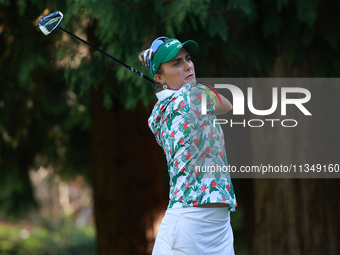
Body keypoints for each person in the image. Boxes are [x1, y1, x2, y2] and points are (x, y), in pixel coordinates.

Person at [138, 37, 237, 255]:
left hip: (215, 225)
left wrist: (169, 88)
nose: (187, 66)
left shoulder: (157, 114)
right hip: (189, 222)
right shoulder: (193, 93)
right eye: (176, 63)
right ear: (158, 77)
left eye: (188, 59)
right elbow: (226, 104)